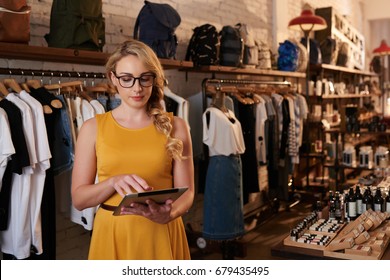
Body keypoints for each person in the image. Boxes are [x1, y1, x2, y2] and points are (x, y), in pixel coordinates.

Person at [71, 39, 194, 260]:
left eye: (144, 78)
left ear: (154, 79)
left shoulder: (176, 126)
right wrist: (112, 182)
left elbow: (188, 193)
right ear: (113, 78)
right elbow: (79, 199)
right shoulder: (92, 128)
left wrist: (170, 213)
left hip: (162, 232)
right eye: (127, 79)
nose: (137, 88)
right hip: (113, 234)